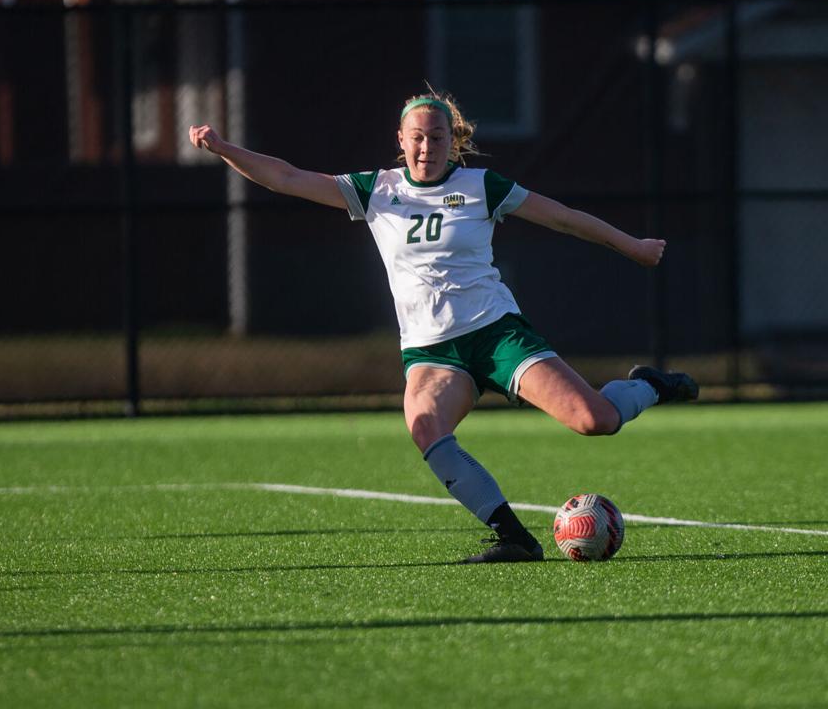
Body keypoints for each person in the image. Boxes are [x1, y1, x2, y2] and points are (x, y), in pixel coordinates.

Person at [189, 89, 698, 564]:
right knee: (425, 427)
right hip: (432, 353)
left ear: (452, 144)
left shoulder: (480, 186)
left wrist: (632, 246)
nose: (426, 147)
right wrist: (222, 147)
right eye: (417, 138)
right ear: (401, 141)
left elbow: (563, 217)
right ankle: (513, 537)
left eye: (437, 138)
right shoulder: (376, 190)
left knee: (595, 420)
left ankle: (649, 386)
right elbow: (288, 177)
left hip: (497, 333)